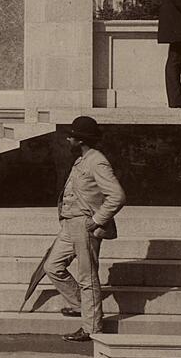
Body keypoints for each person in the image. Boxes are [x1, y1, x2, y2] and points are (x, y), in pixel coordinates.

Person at [42, 115, 127, 342]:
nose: (68, 139)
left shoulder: (97, 161)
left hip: (85, 225)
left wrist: (97, 220)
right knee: (52, 266)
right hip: (70, 224)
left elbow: (117, 196)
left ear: (80, 140)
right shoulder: (82, 160)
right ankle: (82, 306)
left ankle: (92, 328)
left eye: (71, 136)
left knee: (87, 277)